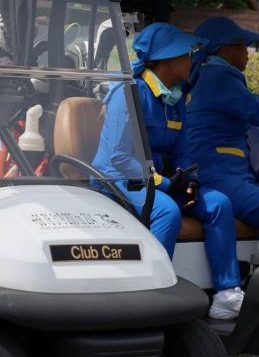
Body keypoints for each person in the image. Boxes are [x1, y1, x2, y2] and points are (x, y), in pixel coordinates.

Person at [91, 22, 244, 320]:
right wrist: (164, 184)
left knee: (219, 204)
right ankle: (151, 291)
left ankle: (228, 294)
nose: (192, 61)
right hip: (118, 178)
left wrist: (190, 180)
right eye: (187, 55)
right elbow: (119, 158)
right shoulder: (130, 94)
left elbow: (182, 150)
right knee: (166, 212)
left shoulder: (174, 98)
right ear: (169, 59)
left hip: (158, 178)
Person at [187, 16, 259, 235]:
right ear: (224, 49)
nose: (247, 52)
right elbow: (258, 111)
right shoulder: (219, 76)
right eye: (242, 45)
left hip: (235, 175)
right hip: (219, 176)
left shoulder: (207, 74)